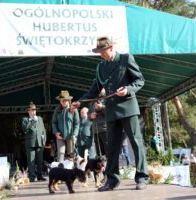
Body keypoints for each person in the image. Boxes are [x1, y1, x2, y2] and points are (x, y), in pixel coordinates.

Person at [71, 36, 149, 191]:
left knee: (136, 143)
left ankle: (142, 178)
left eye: (103, 51)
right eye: (99, 52)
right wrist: (81, 102)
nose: (101, 55)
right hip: (111, 112)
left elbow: (139, 80)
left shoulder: (127, 59)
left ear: (111, 48)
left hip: (128, 108)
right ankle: (112, 180)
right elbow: (94, 90)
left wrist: (128, 89)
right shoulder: (100, 67)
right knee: (112, 148)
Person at [52, 90, 79, 162]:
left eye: (64, 100)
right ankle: (60, 172)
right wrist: (56, 132)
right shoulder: (57, 110)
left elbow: (77, 123)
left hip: (71, 136)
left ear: (68, 100)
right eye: (61, 100)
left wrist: (75, 135)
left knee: (71, 155)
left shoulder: (74, 109)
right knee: (60, 154)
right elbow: (54, 122)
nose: (62, 102)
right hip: (60, 136)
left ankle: (72, 171)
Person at [22, 102, 46, 182]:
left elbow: (43, 131)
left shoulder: (39, 118)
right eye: (32, 110)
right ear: (28, 111)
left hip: (39, 142)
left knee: (40, 160)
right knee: (31, 160)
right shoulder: (25, 119)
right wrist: (32, 121)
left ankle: (40, 175)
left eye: (34, 110)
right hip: (30, 143)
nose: (34, 112)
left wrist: (44, 140)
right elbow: (25, 129)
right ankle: (32, 177)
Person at [89, 88, 108, 157]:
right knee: (99, 153)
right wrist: (90, 116)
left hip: (105, 129)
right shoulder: (93, 101)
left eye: (100, 88)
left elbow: (112, 112)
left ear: (104, 88)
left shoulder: (108, 97)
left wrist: (102, 107)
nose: (98, 90)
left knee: (108, 151)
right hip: (95, 130)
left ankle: (111, 167)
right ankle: (103, 167)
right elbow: (88, 114)